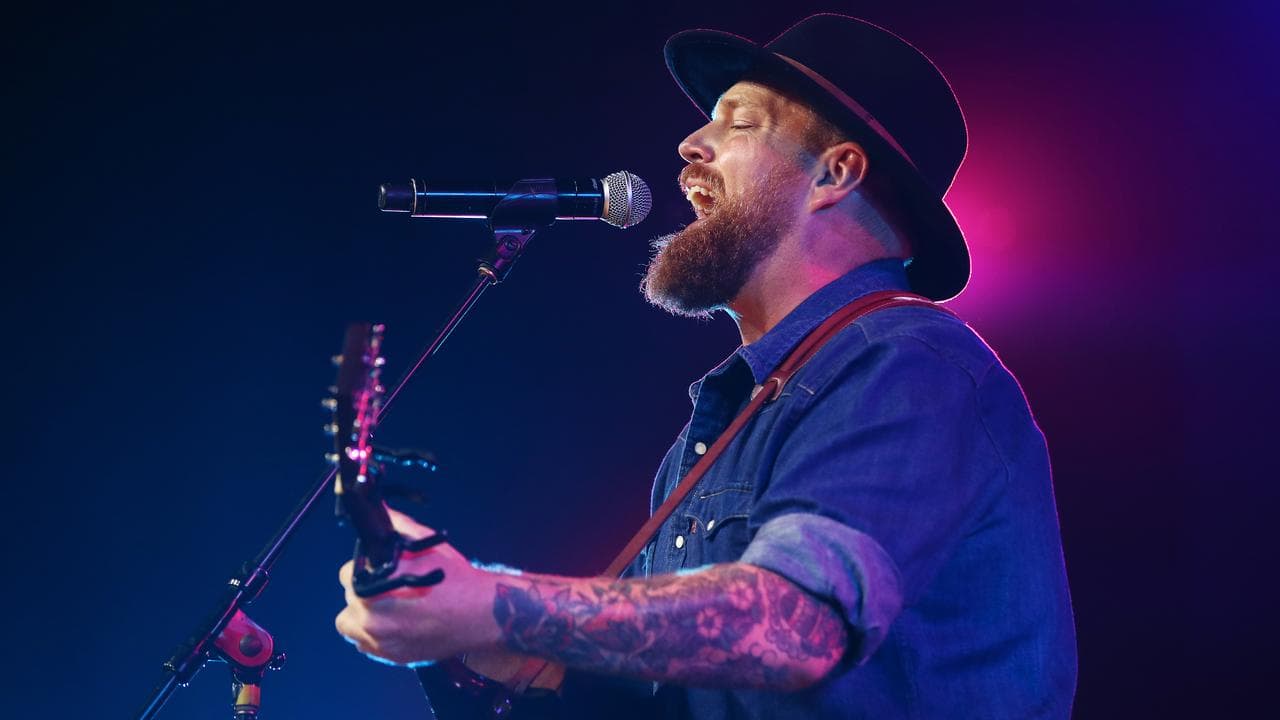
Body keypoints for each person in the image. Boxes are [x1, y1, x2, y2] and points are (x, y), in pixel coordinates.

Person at [336, 14, 1077, 719]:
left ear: (835, 173)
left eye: (739, 123)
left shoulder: (911, 366)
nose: (691, 143)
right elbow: (666, 692)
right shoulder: (723, 428)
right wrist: (461, 636)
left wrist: (494, 604)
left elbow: (794, 626)